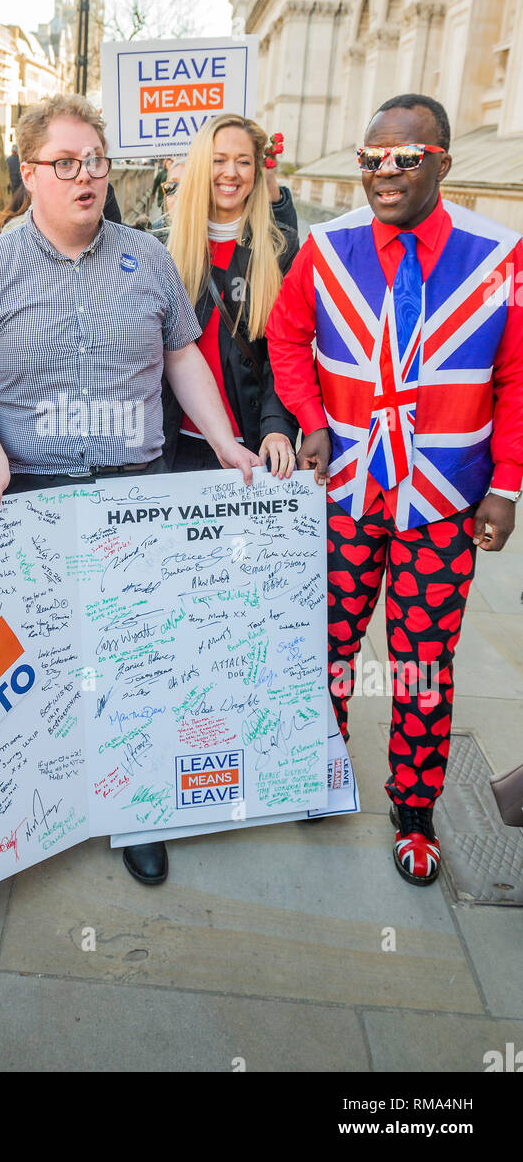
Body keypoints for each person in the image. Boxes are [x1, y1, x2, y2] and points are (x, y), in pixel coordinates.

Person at [0, 92, 260, 888]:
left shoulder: (147, 258)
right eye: (67, 163)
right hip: (35, 496)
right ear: (31, 172)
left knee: (134, 658)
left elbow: (184, 357)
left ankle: (137, 809)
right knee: (36, 662)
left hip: (136, 492)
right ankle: (36, 810)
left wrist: (223, 439)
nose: (86, 177)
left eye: (96, 160)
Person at [266, 93, 523, 885]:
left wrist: (507, 486)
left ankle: (414, 811)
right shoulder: (328, 246)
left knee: (422, 662)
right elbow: (286, 334)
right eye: (370, 157)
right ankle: (319, 767)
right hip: (347, 490)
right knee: (330, 644)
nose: (384, 171)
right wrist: (309, 417)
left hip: (444, 501)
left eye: (404, 158)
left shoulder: (499, 254)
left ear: (441, 160)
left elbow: (515, 379)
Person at [164, 117, 298, 478]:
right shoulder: (161, 246)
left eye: (243, 161)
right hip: (172, 444)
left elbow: (286, 351)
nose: (231, 172)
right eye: (218, 160)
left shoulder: (280, 248)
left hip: (251, 445)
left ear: (257, 171)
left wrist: (277, 426)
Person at [150, 158, 184, 239]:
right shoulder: (156, 235)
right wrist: (153, 193)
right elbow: (155, 184)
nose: (177, 193)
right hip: (162, 198)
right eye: (171, 187)